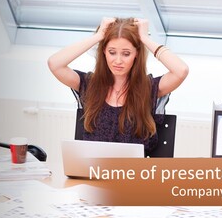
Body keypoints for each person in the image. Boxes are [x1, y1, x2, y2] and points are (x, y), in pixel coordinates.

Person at [48, 17, 189, 153]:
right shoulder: (89, 85)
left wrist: (145, 39)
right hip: (94, 172)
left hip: (132, 174)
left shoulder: (149, 88)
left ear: (136, 54)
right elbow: (54, 64)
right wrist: (98, 37)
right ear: (104, 52)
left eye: (126, 53)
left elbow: (181, 70)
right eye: (112, 52)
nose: (118, 60)